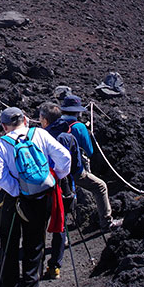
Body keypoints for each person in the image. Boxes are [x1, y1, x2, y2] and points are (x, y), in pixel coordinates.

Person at [0, 107, 71, 287]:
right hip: (40, 197)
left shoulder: (1, 144)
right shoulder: (41, 134)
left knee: (9, 246)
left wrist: (17, 190)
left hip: (10, 201)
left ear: (4, 126)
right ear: (26, 120)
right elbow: (65, 157)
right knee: (34, 245)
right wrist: (56, 177)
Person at [59, 94, 122, 231]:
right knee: (100, 187)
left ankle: (61, 232)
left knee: (62, 196)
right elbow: (89, 151)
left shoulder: (56, 124)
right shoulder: (79, 127)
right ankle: (106, 223)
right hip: (75, 170)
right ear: (78, 111)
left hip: (56, 171)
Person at [38, 101, 81, 280]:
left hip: (41, 190)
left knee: (38, 227)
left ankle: (36, 267)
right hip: (64, 190)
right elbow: (77, 167)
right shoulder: (69, 137)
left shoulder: (38, 138)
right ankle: (55, 267)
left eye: (40, 118)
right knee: (60, 228)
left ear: (46, 121)